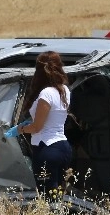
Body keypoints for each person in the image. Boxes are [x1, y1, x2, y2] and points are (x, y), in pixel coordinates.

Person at [17, 51, 72, 196]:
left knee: (47, 195)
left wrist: (20, 129)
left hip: (47, 148)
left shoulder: (46, 93)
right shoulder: (64, 90)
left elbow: (37, 127)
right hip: (63, 146)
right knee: (59, 193)